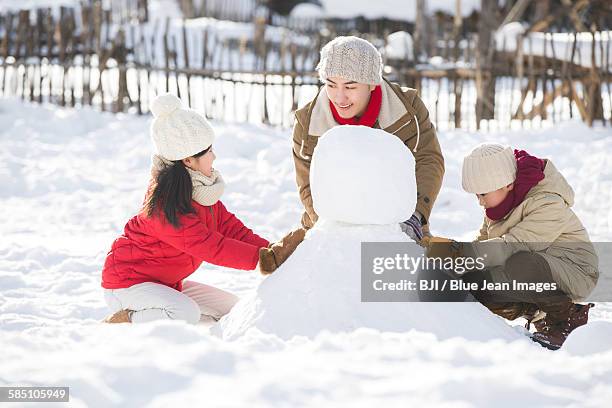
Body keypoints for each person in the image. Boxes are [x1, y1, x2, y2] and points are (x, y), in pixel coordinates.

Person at [101, 94, 297, 324]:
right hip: (127, 285)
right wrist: (263, 259)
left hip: (165, 285)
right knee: (185, 313)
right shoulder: (165, 206)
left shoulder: (199, 190)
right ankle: (125, 320)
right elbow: (212, 246)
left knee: (234, 311)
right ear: (188, 161)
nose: (214, 156)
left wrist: (272, 251)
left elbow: (231, 230)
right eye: (207, 151)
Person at [425, 143, 599, 350]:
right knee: (475, 283)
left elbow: (517, 246)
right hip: (536, 268)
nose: (480, 202)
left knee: (520, 262)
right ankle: (536, 312)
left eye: (483, 194)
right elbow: (484, 244)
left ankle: (566, 319)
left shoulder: (546, 203)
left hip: (575, 269)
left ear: (507, 184)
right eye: (476, 196)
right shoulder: (499, 205)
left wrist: (460, 253)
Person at [292, 36, 444, 241]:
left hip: (398, 226)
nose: (339, 97)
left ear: (372, 83)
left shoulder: (408, 111)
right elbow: (308, 184)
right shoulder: (308, 122)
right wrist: (331, 225)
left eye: (350, 86)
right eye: (331, 84)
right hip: (330, 228)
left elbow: (429, 161)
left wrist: (414, 217)